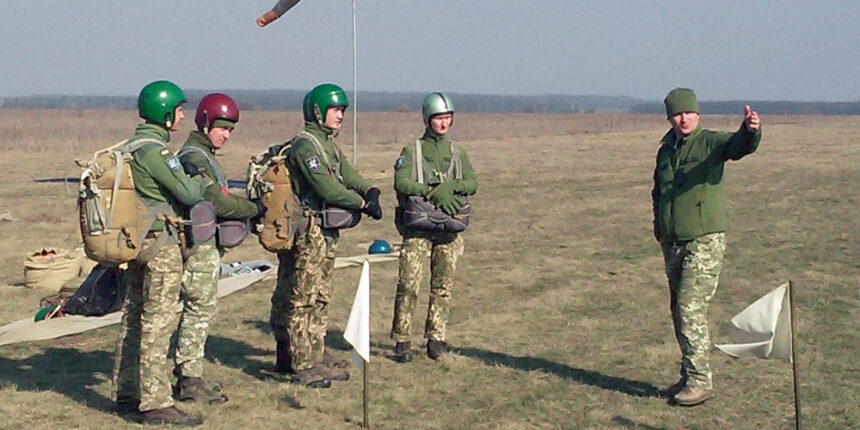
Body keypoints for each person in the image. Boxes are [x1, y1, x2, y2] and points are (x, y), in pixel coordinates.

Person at [651, 87, 761, 406]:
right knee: (678, 311)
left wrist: (751, 130)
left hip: (703, 240)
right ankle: (689, 374)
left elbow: (738, 146)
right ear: (669, 117)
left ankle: (701, 381)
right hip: (672, 242)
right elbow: (659, 191)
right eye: (677, 113)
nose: (683, 118)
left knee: (690, 307)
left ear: (698, 114)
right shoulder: (665, 150)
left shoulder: (711, 142)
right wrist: (660, 227)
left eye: (688, 112)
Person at [269, 83, 383, 387]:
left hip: (325, 233)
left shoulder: (328, 144)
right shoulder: (306, 146)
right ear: (318, 112)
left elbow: (346, 173)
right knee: (303, 296)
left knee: (320, 295)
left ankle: (315, 353)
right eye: (335, 110)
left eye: (343, 110)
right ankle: (300, 362)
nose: (341, 116)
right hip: (308, 232)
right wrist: (361, 204)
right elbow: (325, 187)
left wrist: (369, 189)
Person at [112, 80, 207, 426]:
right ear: (165, 114)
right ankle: (155, 402)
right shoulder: (157, 151)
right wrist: (197, 179)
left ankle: (126, 393)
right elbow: (188, 192)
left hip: (136, 242)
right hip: (161, 246)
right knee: (158, 321)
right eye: (179, 110)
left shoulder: (129, 147)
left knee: (133, 318)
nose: (182, 116)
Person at [172, 93, 263, 404]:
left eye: (231, 130)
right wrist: (253, 209)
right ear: (207, 123)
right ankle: (189, 380)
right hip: (198, 248)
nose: (226, 135)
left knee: (202, 310)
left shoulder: (203, 155)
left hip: (205, 245)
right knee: (198, 310)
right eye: (222, 128)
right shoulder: (195, 157)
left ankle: (189, 376)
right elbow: (216, 201)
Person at [389, 92, 478, 363]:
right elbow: (401, 182)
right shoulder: (412, 150)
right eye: (439, 117)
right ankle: (402, 339)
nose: (444, 123)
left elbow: (472, 182)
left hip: (448, 230)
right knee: (409, 284)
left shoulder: (457, 152)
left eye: (448, 117)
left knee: (443, 285)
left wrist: (452, 187)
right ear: (428, 119)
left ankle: (436, 338)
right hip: (416, 229)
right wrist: (430, 191)